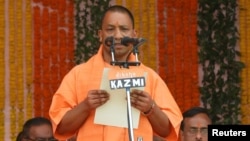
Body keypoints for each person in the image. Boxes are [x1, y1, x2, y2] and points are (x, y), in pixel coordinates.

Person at [49, 5, 182, 141]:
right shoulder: (78, 75)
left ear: (134, 35)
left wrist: (150, 108)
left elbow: (167, 131)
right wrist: (85, 106)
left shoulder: (150, 77)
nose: (118, 36)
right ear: (101, 35)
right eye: (110, 29)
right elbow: (60, 128)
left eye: (124, 29)